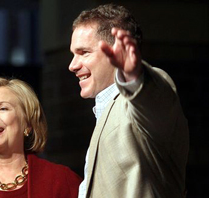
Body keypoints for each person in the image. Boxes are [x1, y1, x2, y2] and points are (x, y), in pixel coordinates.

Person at [68, 3, 189, 198]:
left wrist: (134, 75)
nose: (72, 65)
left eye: (84, 53)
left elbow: (150, 97)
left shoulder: (143, 97)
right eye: (73, 54)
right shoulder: (104, 108)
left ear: (115, 51)